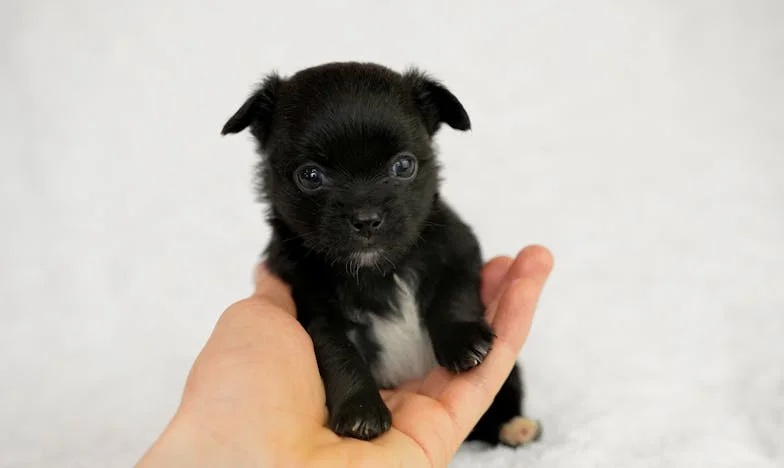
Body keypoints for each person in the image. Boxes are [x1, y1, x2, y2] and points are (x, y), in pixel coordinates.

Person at [137, 245, 553, 467]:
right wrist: (351, 395)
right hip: (383, 396)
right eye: (313, 176)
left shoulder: (445, 237)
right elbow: (324, 331)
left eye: (400, 168)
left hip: (435, 382)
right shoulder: (300, 264)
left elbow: (461, 274)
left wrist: (455, 324)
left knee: (496, 367)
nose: (366, 207)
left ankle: (500, 424)